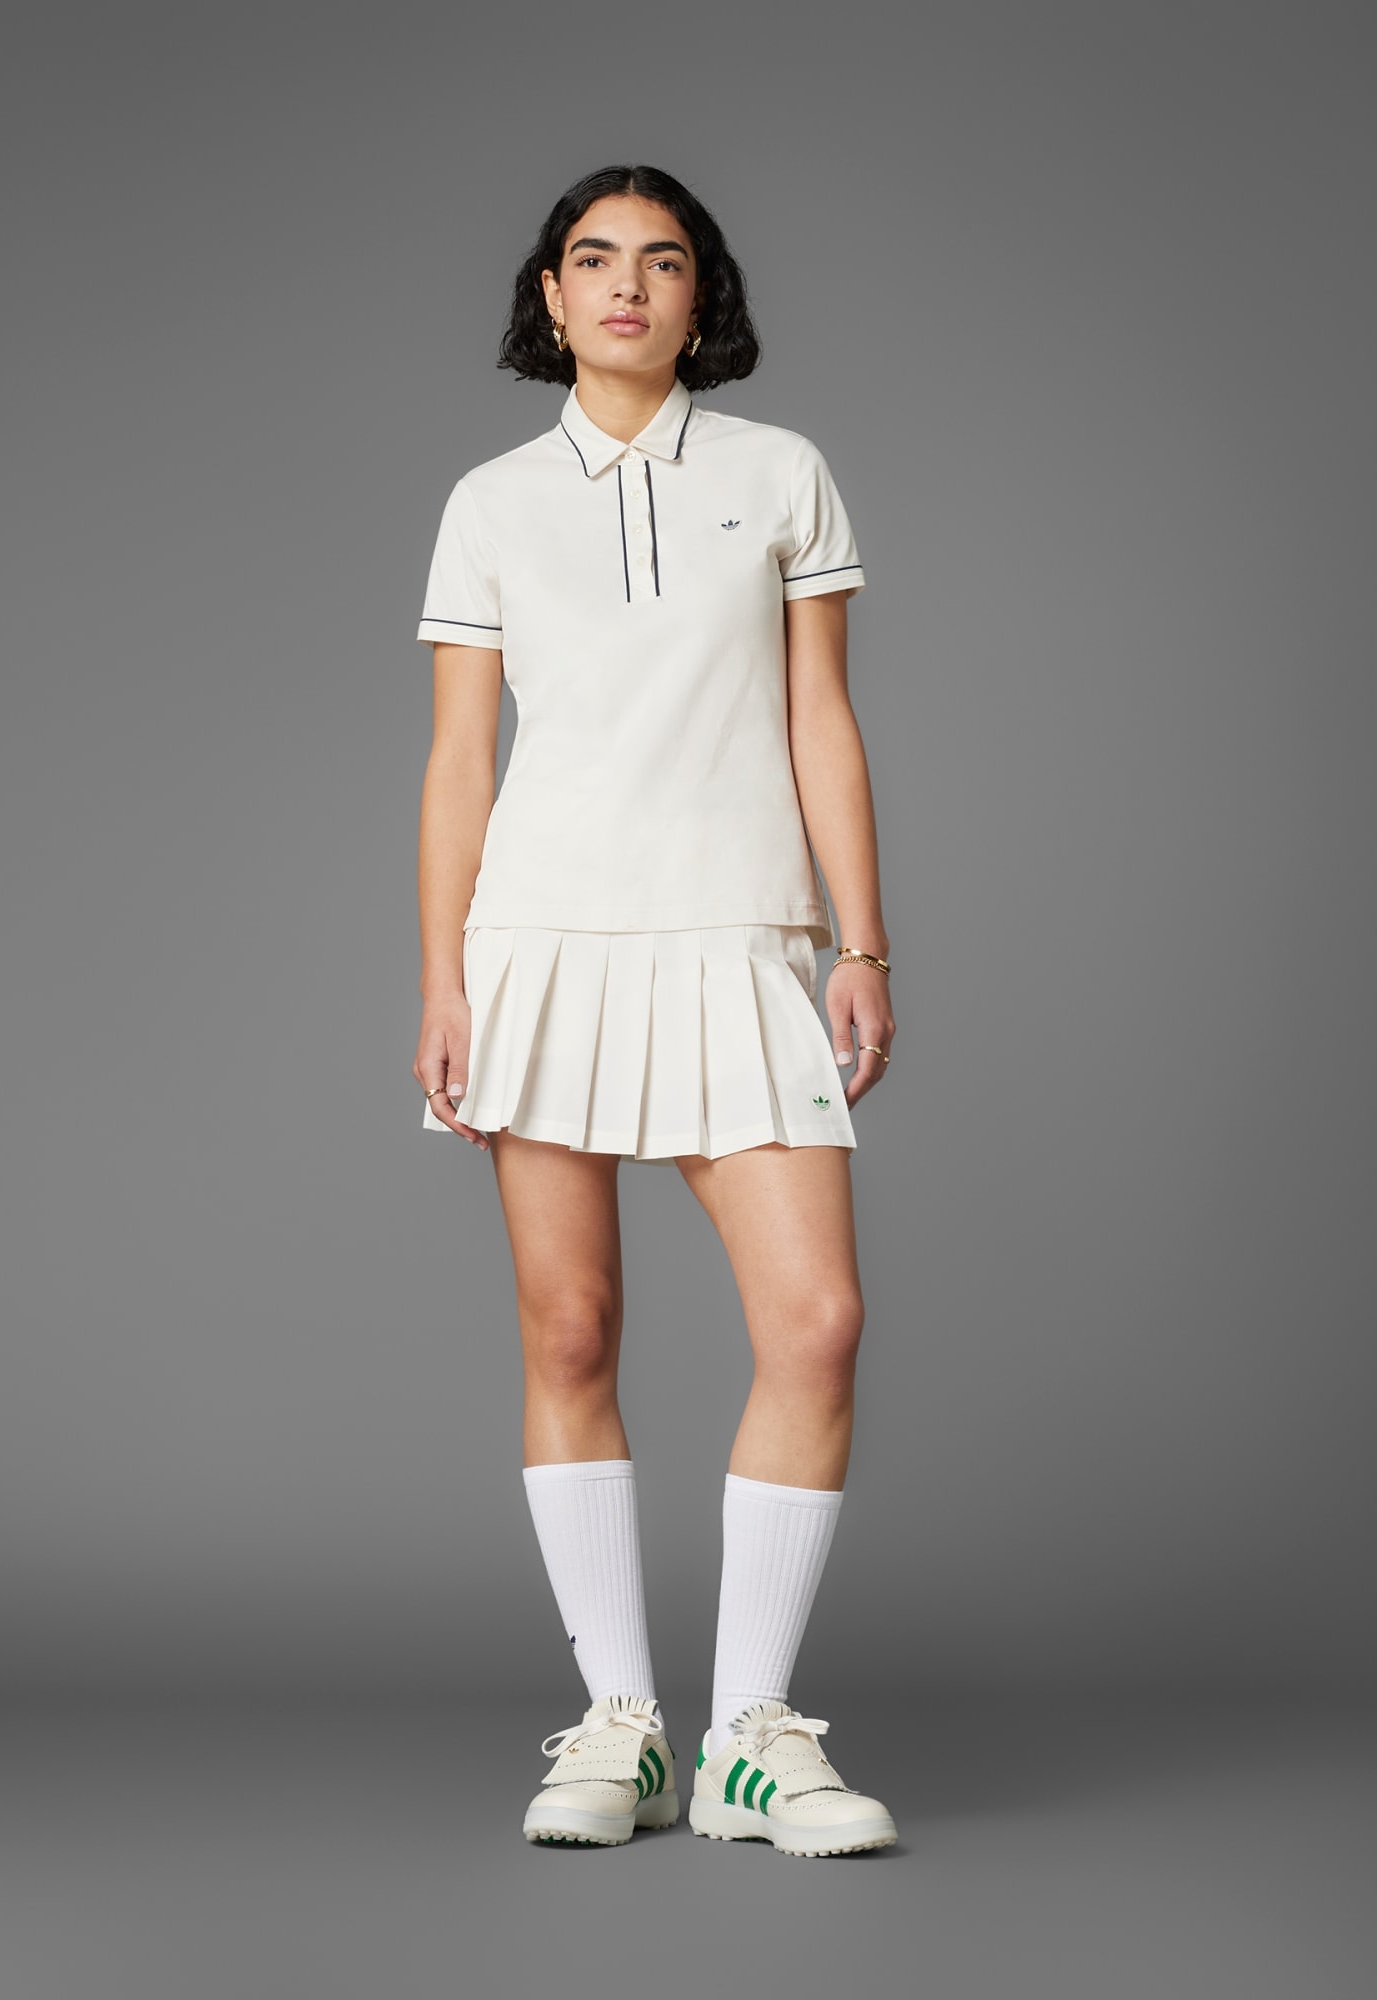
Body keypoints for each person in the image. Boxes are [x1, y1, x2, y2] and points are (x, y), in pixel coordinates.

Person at [413, 164, 898, 1858]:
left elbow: (822, 719)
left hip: (741, 942)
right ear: (552, 298)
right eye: (594, 258)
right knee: (570, 1331)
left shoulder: (781, 474)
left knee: (816, 1319)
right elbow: (459, 759)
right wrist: (442, 977)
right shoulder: (489, 503)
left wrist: (861, 945)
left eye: (664, 260)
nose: (628, 284)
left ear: (704, 299)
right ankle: (621, 1728)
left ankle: (752, 1737)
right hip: (543, 945)